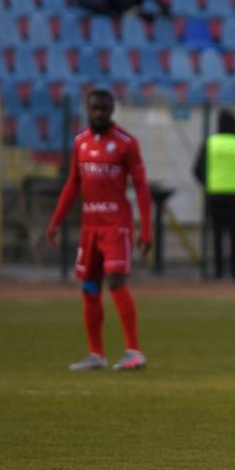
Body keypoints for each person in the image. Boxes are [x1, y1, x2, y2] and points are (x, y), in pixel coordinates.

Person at [45, 89, 153, 372]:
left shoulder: (126, 143)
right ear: (88, 109)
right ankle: (96, 354)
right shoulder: (80, 142)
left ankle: (134, 351)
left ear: (112, 110)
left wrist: (147, 229)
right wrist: (55, 221)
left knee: (115, 281)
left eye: (104, 108)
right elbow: (72, 184)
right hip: (90, 226)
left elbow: (141, 187)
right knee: (89, 287)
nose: (99, 113)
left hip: (116, 225)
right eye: (94, 108)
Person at [193, 108, 235, 281]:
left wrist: (208, 183)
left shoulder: (210, 143)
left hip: (214, 193)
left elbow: (197, 169)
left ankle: (219, 271)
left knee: (217, 233)